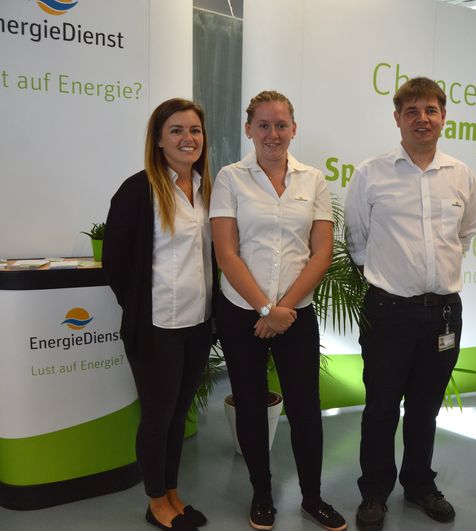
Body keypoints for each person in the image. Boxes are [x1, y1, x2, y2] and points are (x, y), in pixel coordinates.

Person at [345, 77, 476, 530]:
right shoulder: (371, 173)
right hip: (389, 313)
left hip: (443, 313)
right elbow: (357, 241)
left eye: (430, 110)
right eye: (412, 111)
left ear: (443, 117)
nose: (422, 119)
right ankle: (374, 492)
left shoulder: (460, 174)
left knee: (425, 408)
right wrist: (392, 277)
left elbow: (465, 234)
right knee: (381, 407)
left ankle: (420, 484)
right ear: (397, 118)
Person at [210, 90, 346, 531]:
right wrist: (265, 308)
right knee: (250, 405)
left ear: (294, 129)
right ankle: (262, 496)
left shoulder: (313, 180)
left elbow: (321, 252)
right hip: (241, 311)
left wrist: (282, 309)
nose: (273, 133)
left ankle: (312, 498)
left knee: (305, 408)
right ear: (249, 129)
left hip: (295, 314)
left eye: (281, 125)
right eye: (264, 125)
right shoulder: (230, 178)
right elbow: (227, 254)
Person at [104, 98, 215, 531]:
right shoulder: (139, 189)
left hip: (198, 324)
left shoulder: (207, 188)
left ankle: (172, 492)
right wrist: (138, 309)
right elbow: (115, 262)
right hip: (157, 328)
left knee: (178, 413)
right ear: (158, 139)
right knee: (157, 417)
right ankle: (155, 502)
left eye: (195, 130)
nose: (188, 139)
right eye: (177, 130)